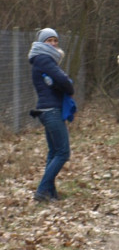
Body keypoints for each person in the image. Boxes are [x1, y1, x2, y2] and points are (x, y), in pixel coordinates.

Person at [29, 28, 75, 202]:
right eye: (49, 40)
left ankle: (50, 192)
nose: (54, 44)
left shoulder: (43, 59)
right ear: (42, 43)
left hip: (46, 109)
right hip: (51, 110)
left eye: (55, 40)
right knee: (63, 152)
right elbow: (64, 81)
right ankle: (42, 191)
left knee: (54, 152)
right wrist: (69, 87)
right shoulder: (44, 58)